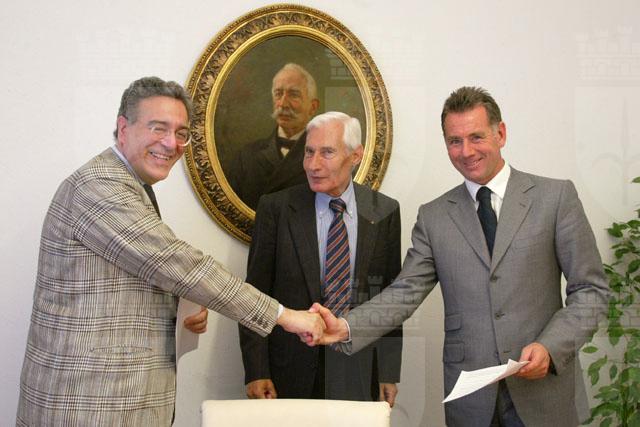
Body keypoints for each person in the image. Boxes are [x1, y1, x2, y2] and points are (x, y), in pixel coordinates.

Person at [16, 76, 324, 426]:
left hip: (119, 402)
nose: (171, 143)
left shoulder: (132, 184)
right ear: (123, 128)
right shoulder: (98, 186)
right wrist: (286, 316)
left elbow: (134, 275)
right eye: (158, 128)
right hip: (87, 404)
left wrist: (182, 307)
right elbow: (178, 264)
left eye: (181, 132)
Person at [310, 87, 610, 426]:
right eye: (455, 141)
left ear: (501, 134)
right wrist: (345, 326)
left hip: (545, 394)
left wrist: (551, 348)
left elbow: (591, 291)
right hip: (472, 402)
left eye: (476, 137)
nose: (466, 151)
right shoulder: (434, 216)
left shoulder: (555, 198)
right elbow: (403, 294)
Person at [239, 112, 403, 404]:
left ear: (355, 155)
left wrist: (387, 372)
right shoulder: (276, 209)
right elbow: (255, 294)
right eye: (309, 152)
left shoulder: (384, 211)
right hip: (289, 370)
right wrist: (256, 370)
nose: (313, 165)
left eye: (327, 152)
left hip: (359, 369)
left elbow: (389, 297)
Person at [227, 63, 320, 210]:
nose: (283, 104)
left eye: (293, 95)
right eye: (278, 94)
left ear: (313, 107)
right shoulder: (245, 157)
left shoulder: (325, 157)